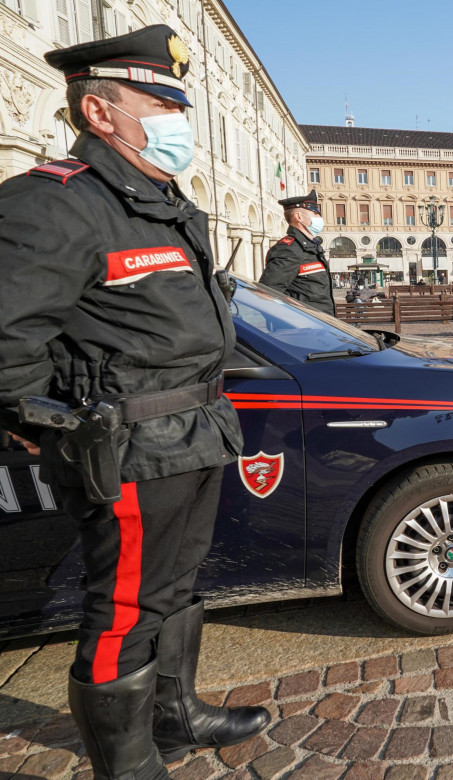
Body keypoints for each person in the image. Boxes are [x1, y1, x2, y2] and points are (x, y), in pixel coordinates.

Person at [0, 26, 270, 778]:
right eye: (156, 101)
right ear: (99, 112)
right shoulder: (54, 204)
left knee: (179, 587)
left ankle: (175, 720)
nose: (174, 118)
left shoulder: (156, 201)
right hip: (128, 446)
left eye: (175, 103)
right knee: (121, 611)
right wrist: (35, 418)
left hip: (196, 431)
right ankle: (128, 766)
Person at [259, 190, 334, 316]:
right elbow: (268, 293)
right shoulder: (289, 249)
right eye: (315, 214)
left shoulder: (311, 247)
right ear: (299, 217)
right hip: (305, 328)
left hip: (321, 325)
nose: (319, 218)